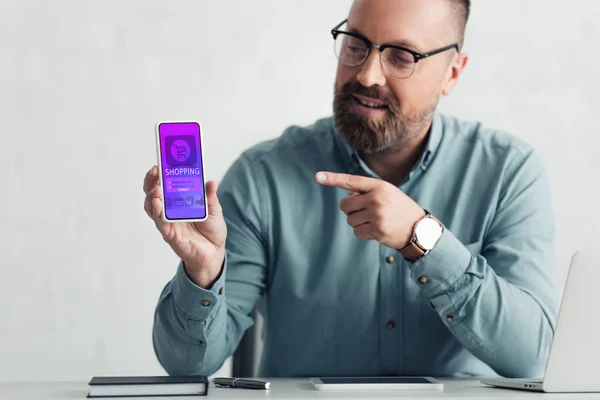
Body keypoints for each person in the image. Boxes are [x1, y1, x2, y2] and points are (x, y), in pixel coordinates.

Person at [143, 0, 558, 378]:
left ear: (452, 73)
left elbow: (531, 356)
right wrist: (203, 273)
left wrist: (423, 239)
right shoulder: (263, 176)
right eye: (356, 44)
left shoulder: (508, 172)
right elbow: (185, 365)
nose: (366, 74)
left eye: (401, 56)